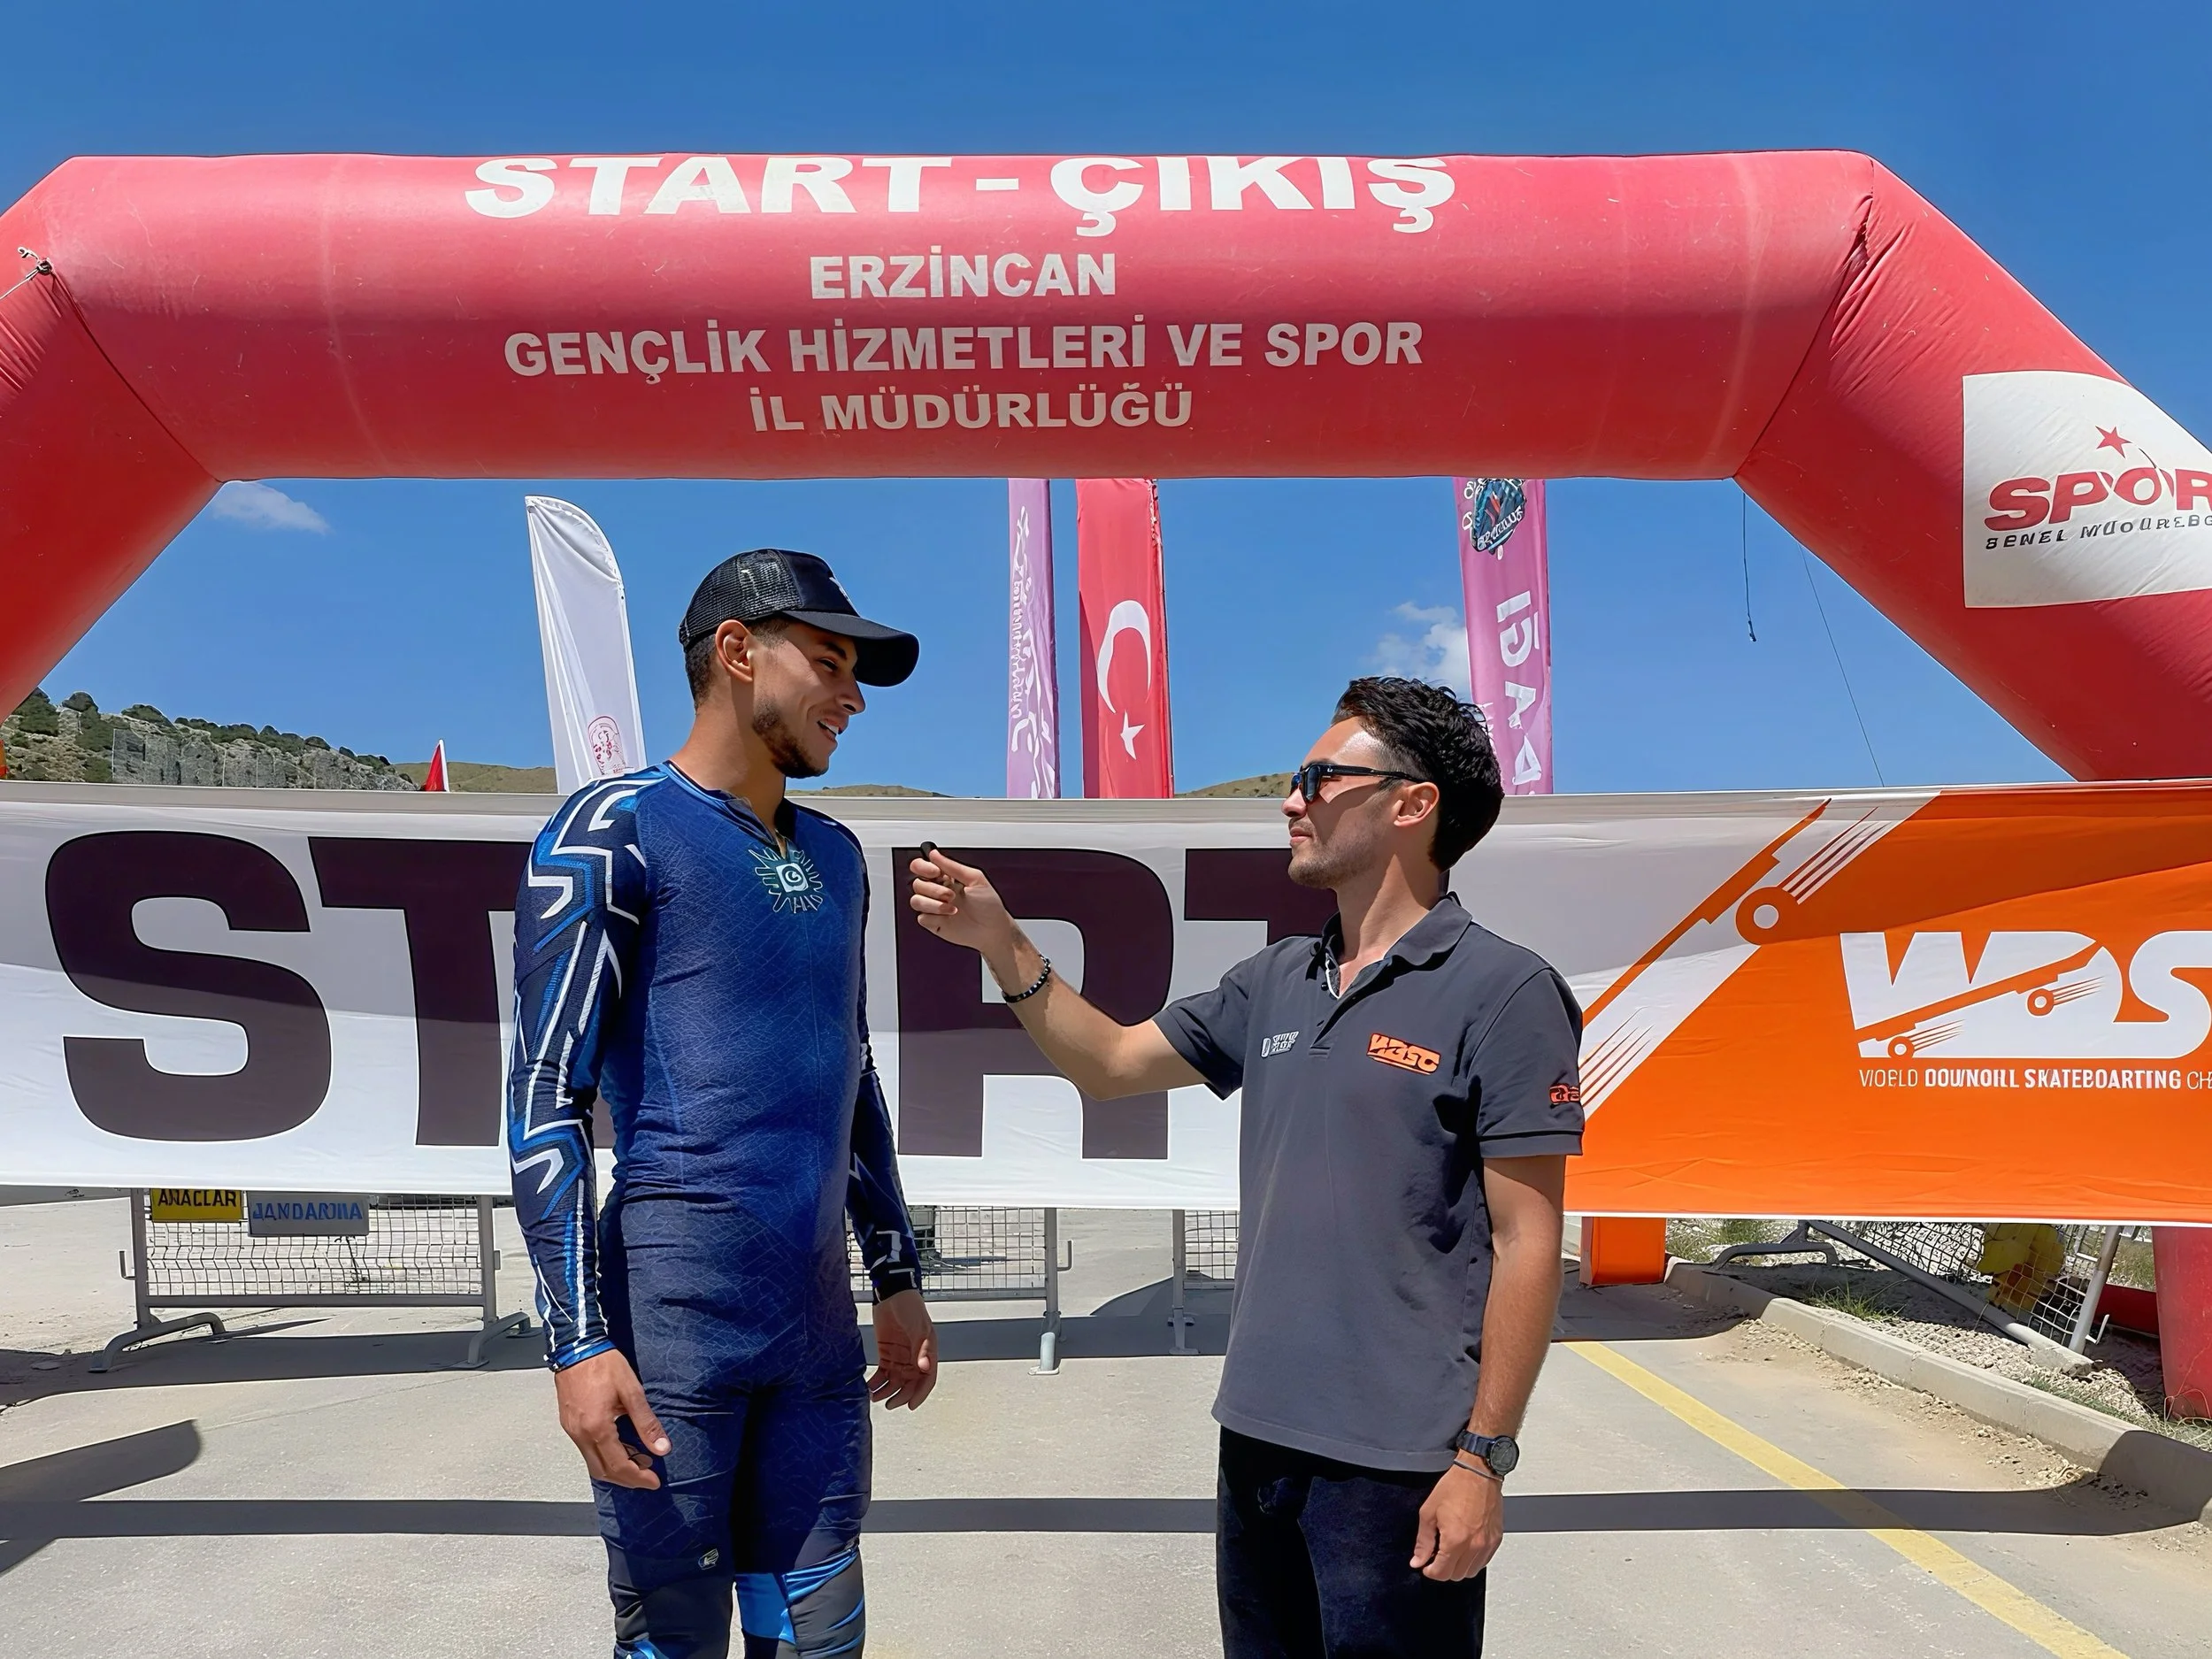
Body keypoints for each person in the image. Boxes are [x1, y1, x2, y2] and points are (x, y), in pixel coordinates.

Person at [910, 676, 1582, 1659]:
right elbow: (1109, 1065)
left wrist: (1483, 1460)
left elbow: (1529, 1240)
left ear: (1411, 803)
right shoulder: (1274, 979)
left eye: (1319, 776)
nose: (1291, 798)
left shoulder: (1505, 990)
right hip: (1257, 1436)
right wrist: (1004, 944)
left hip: (1400, 1465)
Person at [509, 548, 939, 1659]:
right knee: (675, 1642)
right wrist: (575, 1342)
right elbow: (547, 1093)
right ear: (737, 654)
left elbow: (853, 1079)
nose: (850, 697)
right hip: (671, 1327)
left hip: (812, 1327)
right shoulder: (611, 827)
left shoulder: (839, 856)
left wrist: (895, 1278)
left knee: (819, 1637)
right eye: (829, 663)